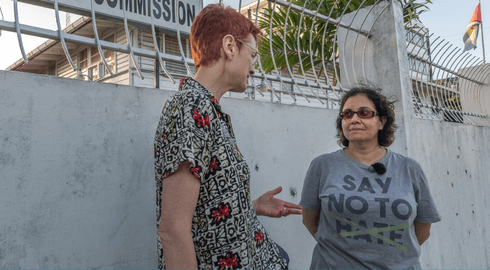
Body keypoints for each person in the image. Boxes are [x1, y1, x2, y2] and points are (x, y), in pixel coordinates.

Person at [153, 4, 302, 269]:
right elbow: (173, 230)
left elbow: (206, 205)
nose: (254, 68)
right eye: (253, 54)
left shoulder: (207, 109)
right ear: (230, 47)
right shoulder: (190, 108)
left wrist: (252, 205)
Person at [300, 87, 441, 269]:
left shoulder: (409, 168)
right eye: (347, 114)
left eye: (364, 113)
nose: (354, 119)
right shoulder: (322, 166)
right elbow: (310, 220)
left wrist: (392, 258)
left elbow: (423, 226)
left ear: (382, 122)